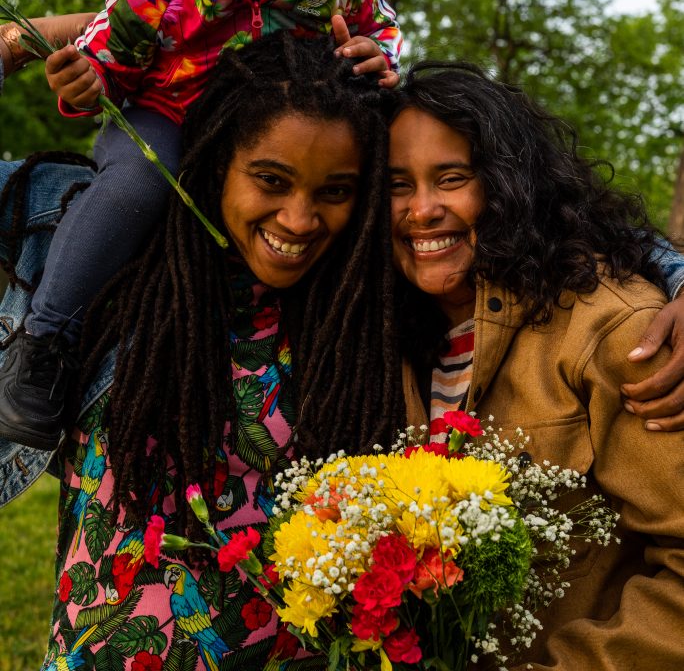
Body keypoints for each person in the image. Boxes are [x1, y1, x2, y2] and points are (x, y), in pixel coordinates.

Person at [0, 0, 403, 452]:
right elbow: (107, 61)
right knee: (128, 193)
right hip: (171, 114)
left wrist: (376, 56)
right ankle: (45, 342)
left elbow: (386, 30)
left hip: (287, 125)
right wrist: (84, 80)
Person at [0, 35, 420, 669]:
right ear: (218, 158)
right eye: (271, 180)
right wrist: (59, 34)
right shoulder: (99, 251)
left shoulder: (371, 312)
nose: (299, 220)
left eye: (334, 191)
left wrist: (628, 328)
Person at [387, 60, 684, 669]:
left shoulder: (617, 329)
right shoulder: (382, 338)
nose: (420, 210)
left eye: (451, 178)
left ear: (506, 184)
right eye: (396, 184)